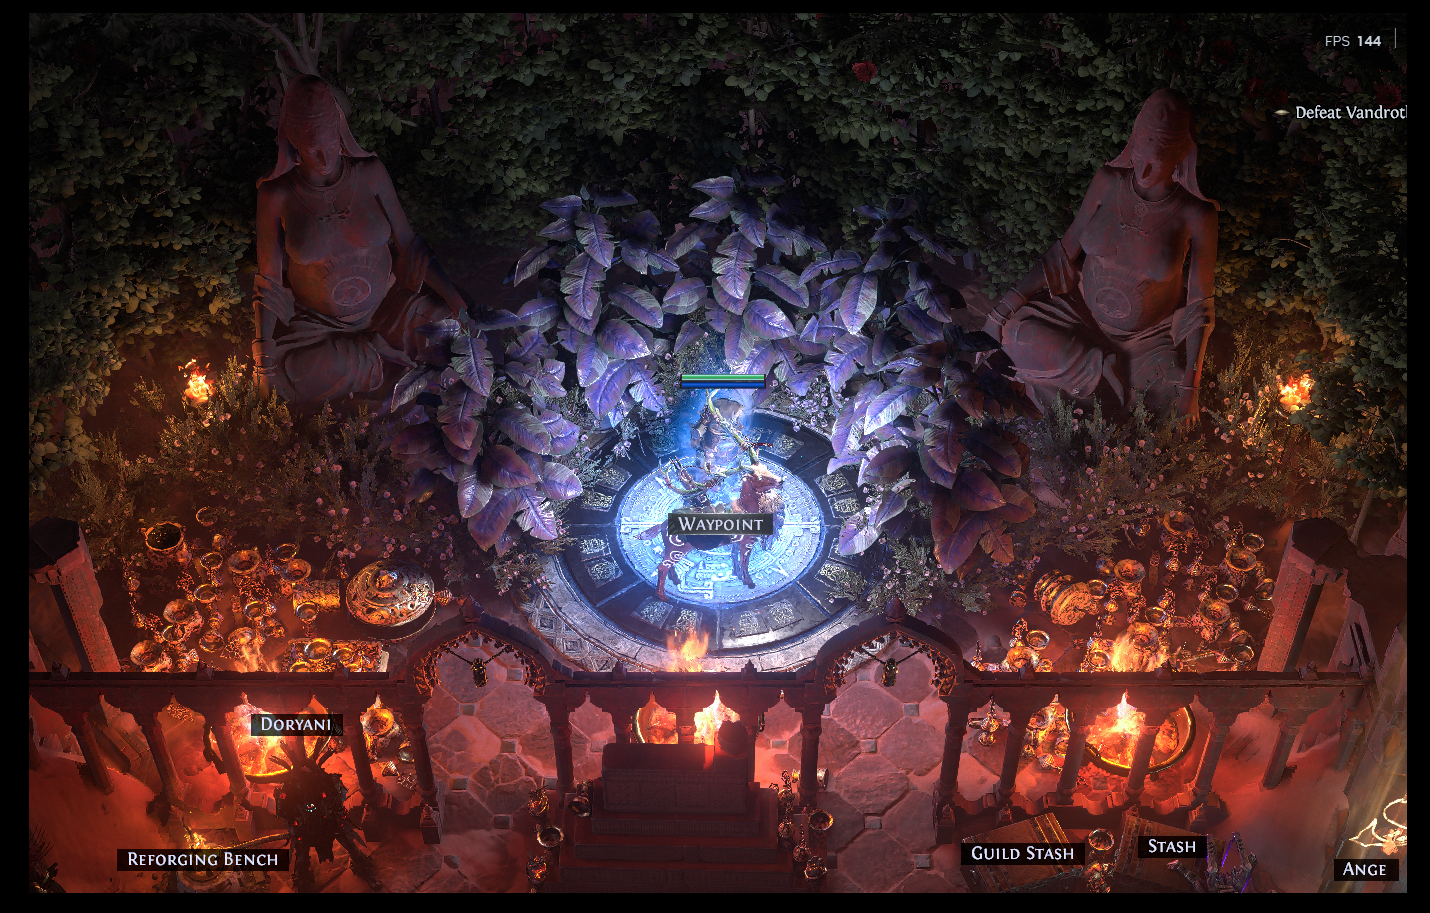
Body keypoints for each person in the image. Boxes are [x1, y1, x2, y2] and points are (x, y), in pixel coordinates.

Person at [984, 89, 1219, 433]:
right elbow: (1063, 251)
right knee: (1015, 333)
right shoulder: (1108, 181)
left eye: (1157, 159)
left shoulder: (1196, 214)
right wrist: (1000, 312)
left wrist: (1190, 389)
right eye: (1140, 153)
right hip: (1079, 315)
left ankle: (1100, 391)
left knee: (1168, 407)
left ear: (1181, 154)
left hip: (1146, 340)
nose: (1144, 168)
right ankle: (1097, 368)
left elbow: (1200, 304)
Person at [251, 75, 468, 406]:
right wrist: (263, 359)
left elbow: (411, 246)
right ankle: (376, 356)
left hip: (388, 308)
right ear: (293, 139)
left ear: (340, 130)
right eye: (312, 146)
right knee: (290, 376)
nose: (324, 156)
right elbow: (268, 281)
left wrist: (459, 305)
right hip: (320, 326)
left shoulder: (370, 172)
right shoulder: (276, 195)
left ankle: (376, 357)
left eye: (330, 140)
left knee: (450, 329)